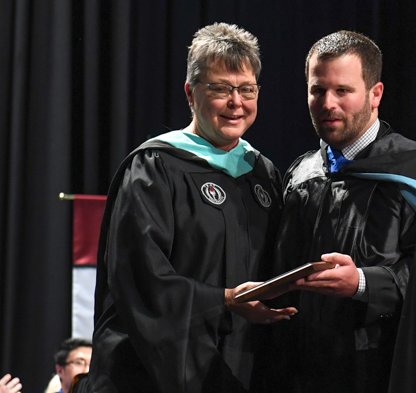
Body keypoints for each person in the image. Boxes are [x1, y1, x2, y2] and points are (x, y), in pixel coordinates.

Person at [84, 23, 295, 392]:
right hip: (149, 375)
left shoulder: (264, 176)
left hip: (237, 371)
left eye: (247, 89)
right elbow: (141, 281)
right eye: (220, 88)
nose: (236, 102)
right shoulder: (155, 168)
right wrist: (226, 300)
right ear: (190, 93)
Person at [267, 30, 416, 393]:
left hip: (384, 366)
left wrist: (364, 283)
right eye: (317, 90)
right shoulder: (300, 174)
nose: (328, 103)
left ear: (375, 94)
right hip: (301, 369)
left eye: (343, 91)